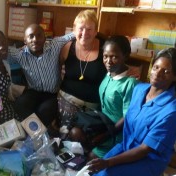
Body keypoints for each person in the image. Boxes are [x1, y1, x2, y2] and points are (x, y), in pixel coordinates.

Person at [88, 48, 176, 176]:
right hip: (126, 146)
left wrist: (108, 162)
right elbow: (128, 117)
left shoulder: (171, 111)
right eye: (156, 67)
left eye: (166, 71)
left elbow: (145, 149)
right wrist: (105, 136)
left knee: (106, 172)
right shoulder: (139, 89)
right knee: (96, 171)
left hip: (148, 160)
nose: (158, 73)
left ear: (174, 76)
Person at [79, 35, 138, 160]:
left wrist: (104, 136)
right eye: (105, 56)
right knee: (75, 134)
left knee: (91, 158)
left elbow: (128, 117)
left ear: (125, 56)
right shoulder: (109, 74)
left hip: (116, 133)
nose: (108, 61)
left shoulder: (130, 83)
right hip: (103, 124)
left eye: (114, 57)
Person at [8, 24, 75, 127]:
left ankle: (38, 131)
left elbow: (74, 34)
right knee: (19, 105)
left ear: (45, 38)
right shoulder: (20, 55)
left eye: (39, 36)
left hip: (52, 94)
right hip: (33, 92)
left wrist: (99, 36)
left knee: (44, 110)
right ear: (25, 40)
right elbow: (2, 48)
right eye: (31, 36)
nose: (35, 39)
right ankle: (39, 131)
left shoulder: (55, 45)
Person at [57, 9, 107, 139]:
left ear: (96, 31)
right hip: (66, 103)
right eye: (81, 28)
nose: (85, 33)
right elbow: (55, 69)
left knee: (83, 140)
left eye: (89, 29)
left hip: (92, 109)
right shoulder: (67, 47)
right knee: (67, 139)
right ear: (74, 30)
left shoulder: (105, 49)